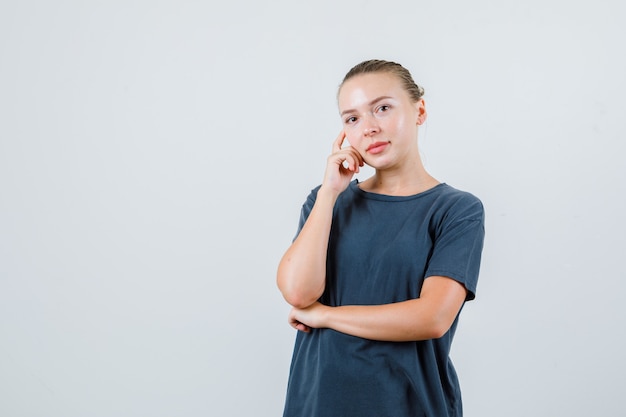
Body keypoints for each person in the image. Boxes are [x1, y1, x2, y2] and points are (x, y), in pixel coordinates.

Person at [276, 59, 485, 417]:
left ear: (419, 110)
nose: (369, 128)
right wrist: (330, 192)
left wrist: (326, 316)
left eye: (383, 108)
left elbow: (432, 317)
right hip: (317, 403)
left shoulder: (456, 210)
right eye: (352, 118)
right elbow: (297, 293)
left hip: (409, 404)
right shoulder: (326, 202)